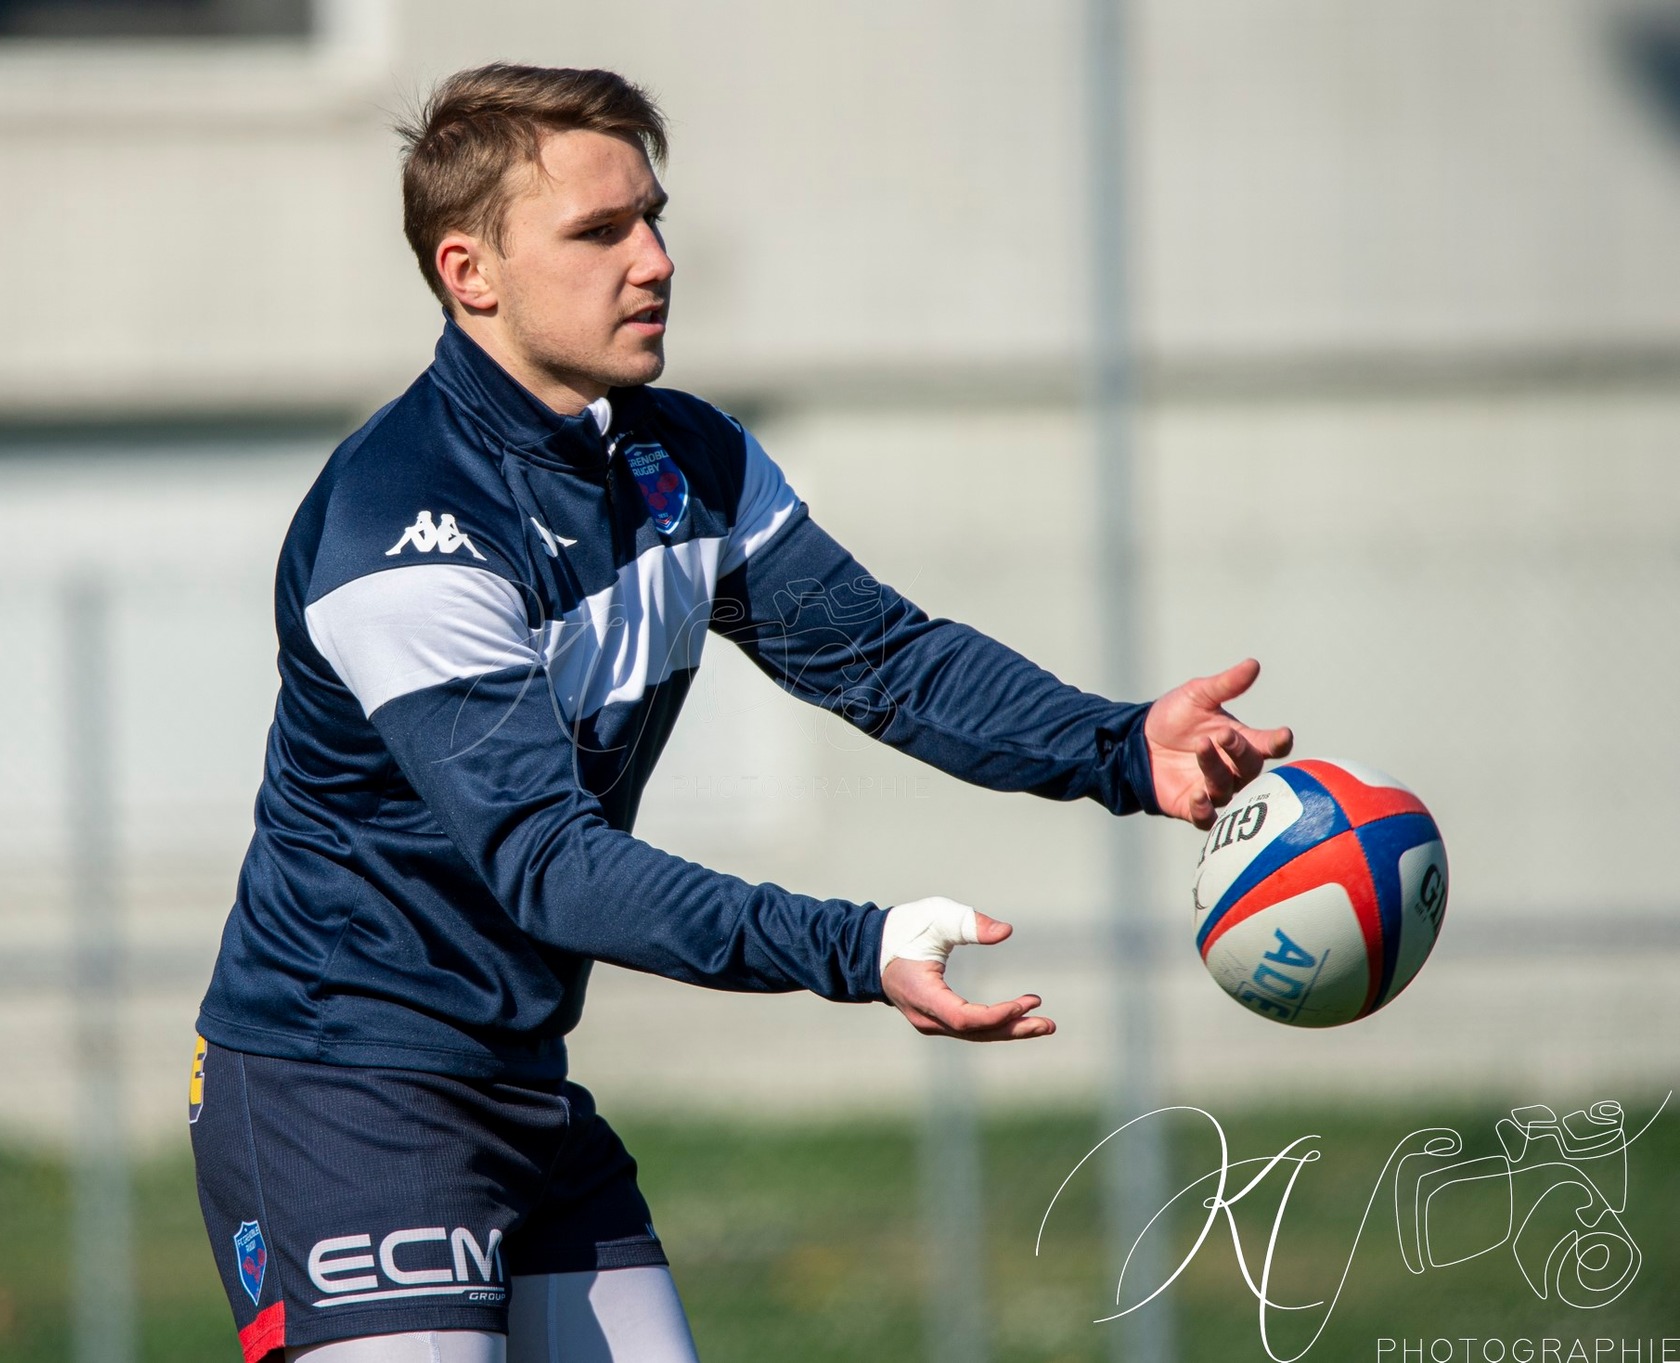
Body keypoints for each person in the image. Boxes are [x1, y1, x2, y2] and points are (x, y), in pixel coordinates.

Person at [189, 63, 1292, 1363]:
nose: (654, 261)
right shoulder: (406, 526)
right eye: (599, 232)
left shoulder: (685, 458)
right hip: (336, 1091)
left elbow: (884, 660)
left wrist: (1120, 746)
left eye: (653, 219)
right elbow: (549, 867)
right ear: (470, 273)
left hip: (519, 1084)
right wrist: (858, 947)